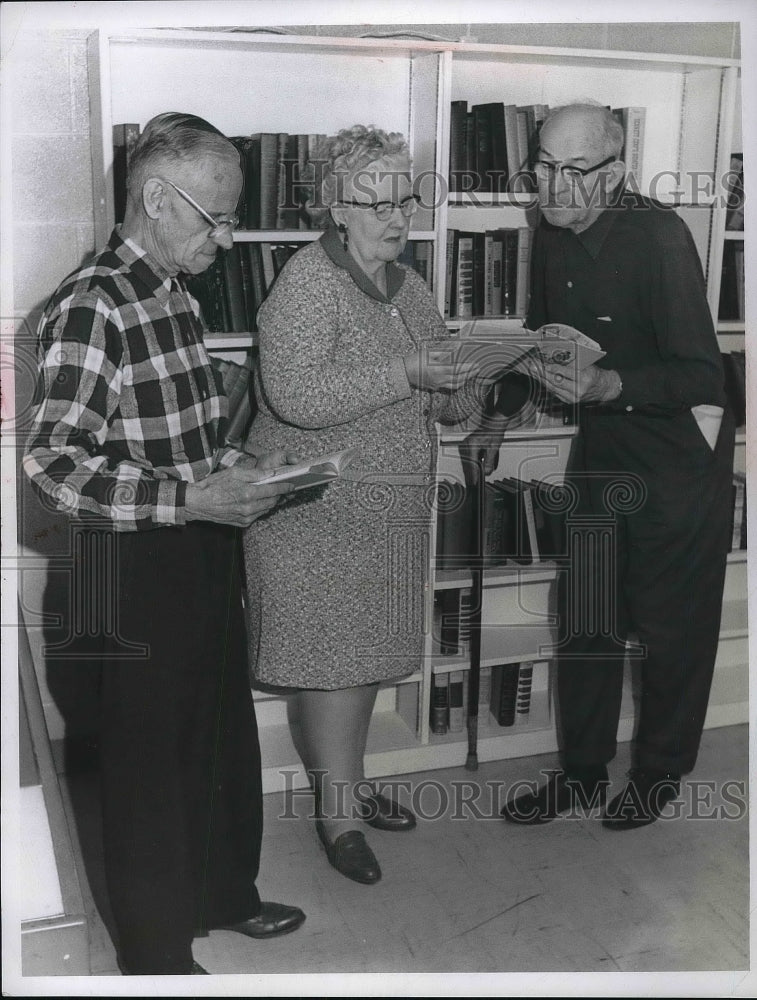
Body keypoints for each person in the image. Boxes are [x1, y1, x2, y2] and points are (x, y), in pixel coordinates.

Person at [22, 112, 306, 975]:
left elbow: (175, 436)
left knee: (216, 733)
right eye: (214, 215)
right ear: (155, 197)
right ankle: (155, 958)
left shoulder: (174, 291)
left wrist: (248, 467)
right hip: (128, 565)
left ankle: (222, 896)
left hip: (195, 547)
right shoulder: (90, 304)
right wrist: (189, 497)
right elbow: (50, 464)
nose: (226, 237)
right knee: (146, 765)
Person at [242, 125, 506, 884]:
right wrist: (410, 371)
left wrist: (474, 375)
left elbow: (445, 402)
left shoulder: (408, 284)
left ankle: (347, 793)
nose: (397, 218)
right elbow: (295, 399)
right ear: (336, 207)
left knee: (361, 666)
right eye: (376, 203)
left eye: (407, 200)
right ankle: (339, 819)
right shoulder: (304, 283)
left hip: (383, 515)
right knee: (331, 668)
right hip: (315, 514)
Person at [497, 102, 735, 829]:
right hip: (603, 451)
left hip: (676, 460)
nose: (553, 186)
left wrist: (609, 385)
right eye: (542, 165)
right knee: (587, 619)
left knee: (670, 628)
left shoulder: (658, 236)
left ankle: (658, 772)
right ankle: (580, 774)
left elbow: (704, 377)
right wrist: (497, 398)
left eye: (574, 171)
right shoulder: (550, 229)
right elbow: (546, 338)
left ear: (616, 172)